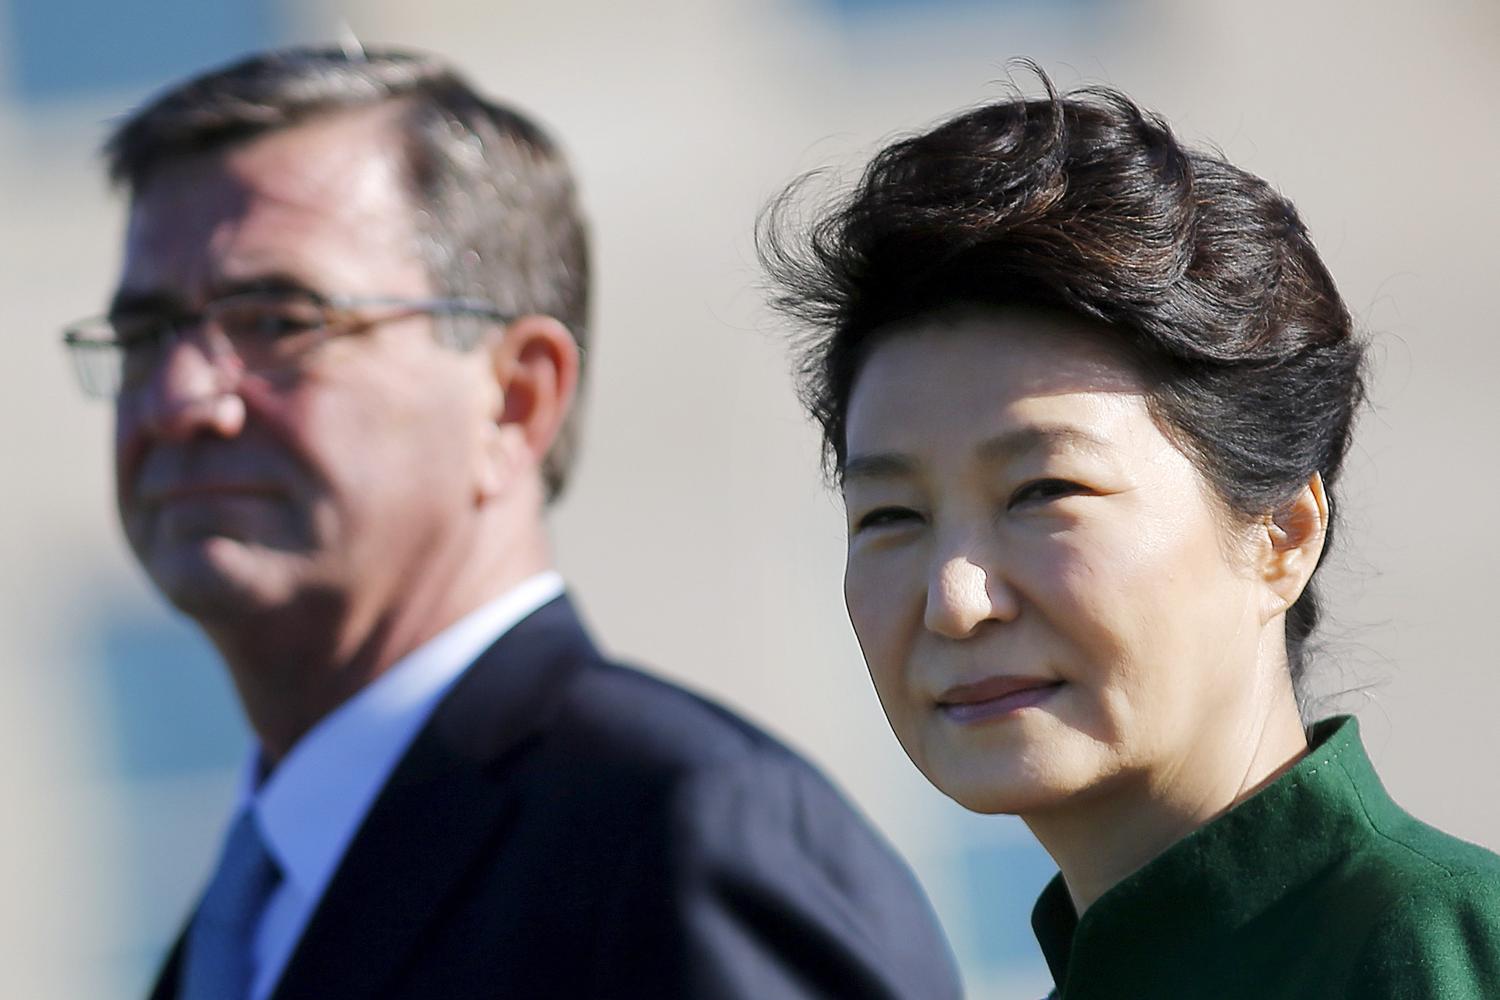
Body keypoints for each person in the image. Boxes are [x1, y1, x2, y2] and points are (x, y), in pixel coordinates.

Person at [62, 46, 962, 1000]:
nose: (178, 397)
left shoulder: (681, 830)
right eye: (147, 335)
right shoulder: (233, 938)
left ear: (515, 398)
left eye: (279, 321)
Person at [759, 69, 1500, 998]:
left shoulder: (1456, 955)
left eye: (1043, 491)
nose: (955, 600)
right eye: (892, 517)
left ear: (1282, 531)